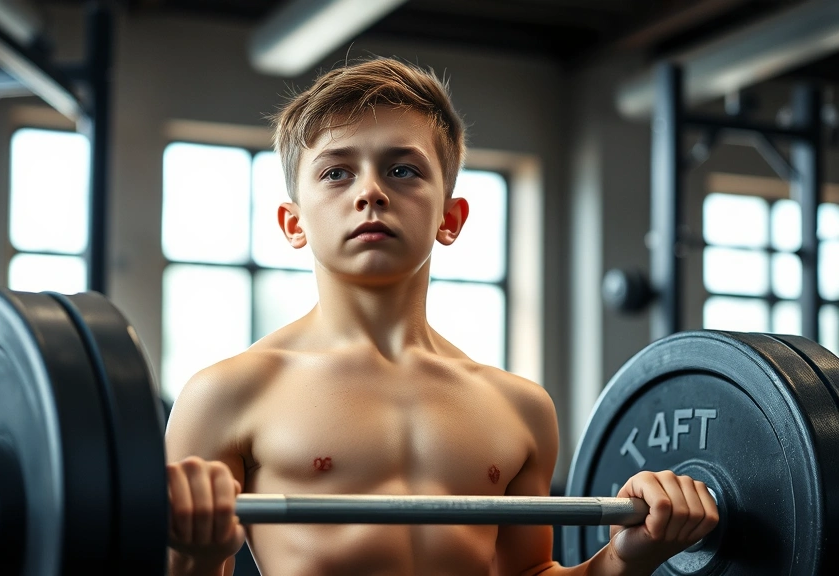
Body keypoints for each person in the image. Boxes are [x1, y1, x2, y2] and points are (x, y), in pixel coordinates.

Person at [164, 57, 718, 576]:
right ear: (293, 223)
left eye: (403, 170)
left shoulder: (519, 408)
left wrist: (629, 556)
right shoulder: (225, 394)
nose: (371, 193)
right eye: (337, 173)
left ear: (450, 217)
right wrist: (197, 558)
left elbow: (529, 573)